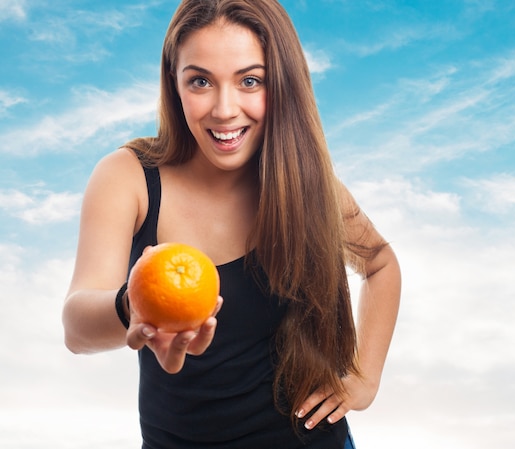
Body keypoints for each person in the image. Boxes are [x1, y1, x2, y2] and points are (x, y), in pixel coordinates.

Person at [62, 0, 401, 448]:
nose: (224, 109)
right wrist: (133, 305)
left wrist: (365, 380)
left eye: (250, 81)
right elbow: (75, 328)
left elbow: (380, 263)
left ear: (281, 84)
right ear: (174, 83)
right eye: (200, 81)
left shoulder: (304, 183)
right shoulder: (129, 177)